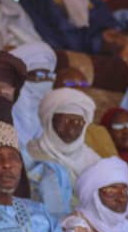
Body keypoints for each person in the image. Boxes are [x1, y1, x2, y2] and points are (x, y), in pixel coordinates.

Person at [25, 86, 100, 220]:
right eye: (66, 121)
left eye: (79, 122)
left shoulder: (93, 161)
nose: (72, 127)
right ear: (50, 119)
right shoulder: (30, 154)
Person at [9, 40, 56, 147]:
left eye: (49, 76)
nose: (44, 81)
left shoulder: (51, 107)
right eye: (39, 75)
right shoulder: (5, 106)